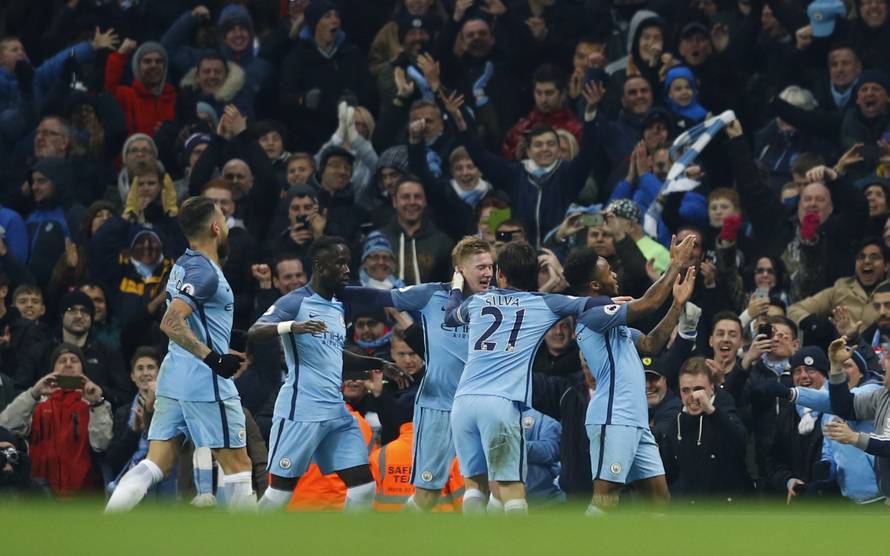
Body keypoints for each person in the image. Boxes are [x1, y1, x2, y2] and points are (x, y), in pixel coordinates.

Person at [105, 196, 255, 512]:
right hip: (205, 380)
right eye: (223, 220)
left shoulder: (183, 264)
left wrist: (224, 336)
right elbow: (171, 322)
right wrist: (214, 357)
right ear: (216, 227)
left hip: (174, 376)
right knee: (239, 465)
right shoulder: (206, 272)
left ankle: (106, 522)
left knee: (156, 462)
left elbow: (194, 319)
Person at [442, 240, 610, 514]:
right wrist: (613, 302)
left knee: (475, 486)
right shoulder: (544, 303)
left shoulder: (476, 301)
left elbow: (449, 317)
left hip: (463, 402)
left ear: (500, 274)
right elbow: (593, 303)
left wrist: (456, 286)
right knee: (512, 490)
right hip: (500, 403)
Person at [247, 236, 407, 512]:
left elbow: (336, 355)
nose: (347, 270)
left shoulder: (335, 307)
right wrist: (291, 327)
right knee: (280, 494)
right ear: (320, 265)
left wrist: (380, 365)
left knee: (364, 487)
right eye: (341, 263)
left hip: (336, 412)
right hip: (302, 411)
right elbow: (255, 331)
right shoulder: (295, 301)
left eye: (348, 264)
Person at [338, 236, 494, 511]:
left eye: (490, 266)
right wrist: (334, 289)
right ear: (459, 269)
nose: (488, 273)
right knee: (427, 493)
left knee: (486, 487)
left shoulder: (499, 302)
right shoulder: (431, 294)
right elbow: (379, 297)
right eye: (480, 267)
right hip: (437, 407)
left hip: (479, 406)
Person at [562, 234, 696, 513]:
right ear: (595, 285)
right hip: (613, 417)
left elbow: (651, 344)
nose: (614, 273)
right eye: (608, 270)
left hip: (635, 421)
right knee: (606, 498)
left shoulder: (611, 320)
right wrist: (675, 265)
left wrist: (677, 304)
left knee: (659, 501)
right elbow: (647, 303)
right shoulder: (592, 315)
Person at [0, 344, 113, 496]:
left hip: (84, 494)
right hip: (40, 493)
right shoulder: (36, 404)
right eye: (62, 360)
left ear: (83, 369)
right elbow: (5, 426)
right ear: (52, 369)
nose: (68, 364)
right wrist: (34, 392)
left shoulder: (94, 405)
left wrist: (97, 402)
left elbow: (101, 444)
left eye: (74, 360)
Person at [660, 357, 752, 501]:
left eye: (699, 389)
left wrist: (710, 410)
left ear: (712, 388)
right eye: (685, 390)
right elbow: (669, 473)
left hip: (729, 510)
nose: (692, 396)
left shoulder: (725, 410)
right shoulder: (675, 423)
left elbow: (740, 441)